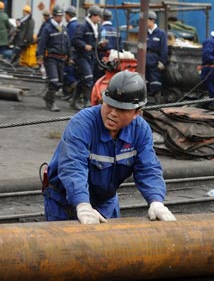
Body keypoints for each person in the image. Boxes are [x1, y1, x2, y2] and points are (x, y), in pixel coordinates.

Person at [42, 71, 176, 224]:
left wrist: (156, 200)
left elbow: (148, 168)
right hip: (64, 202)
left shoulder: (140, 130)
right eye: (110, 105)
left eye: (121, 109)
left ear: (137, 112)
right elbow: (73, 166)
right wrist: (82, 204)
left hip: (105, 201)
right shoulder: (82, 124)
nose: (113, 113)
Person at [36, 5, 71, 112]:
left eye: (61, 16)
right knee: (54, 81)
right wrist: (40, 57)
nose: (59, 18)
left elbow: (67, 43)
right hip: (51, 58)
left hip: (61, 59)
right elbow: (41, 44)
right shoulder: (47, 28)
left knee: (59, 82)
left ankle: (47, 96)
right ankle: (51, 102)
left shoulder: (64, 29)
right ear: (53, 16)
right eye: (57, 16)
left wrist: (69, 56)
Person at [71, 5, 103, 109]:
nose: (99, 19)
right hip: (82, 57)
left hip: (91, 57)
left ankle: (74, 101)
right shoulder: (83, 26)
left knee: (83, 79)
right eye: (98, 16)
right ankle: (86, 101)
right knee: (88, 78)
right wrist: (84, 45)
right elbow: (75, 40)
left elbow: (94, 43)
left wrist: (99, 44)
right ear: (92, 16)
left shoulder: (96, 28)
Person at [145, 11, 169, 104]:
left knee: (155, 82)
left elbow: (164, 49)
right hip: (145, 61)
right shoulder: (144, 33)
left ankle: (156, 102)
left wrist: (162, 61)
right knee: (145, 82)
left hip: (155, 62)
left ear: (152, 20)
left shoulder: (161, 33)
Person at [62, 6, 79, 99]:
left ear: (68, 15)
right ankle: (71, 94)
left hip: (71, 53)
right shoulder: (78, 24)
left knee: (68, 73)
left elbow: (69, 41)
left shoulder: (71, 26)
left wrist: (68, 55)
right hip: (76, 53)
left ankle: (72, 92)